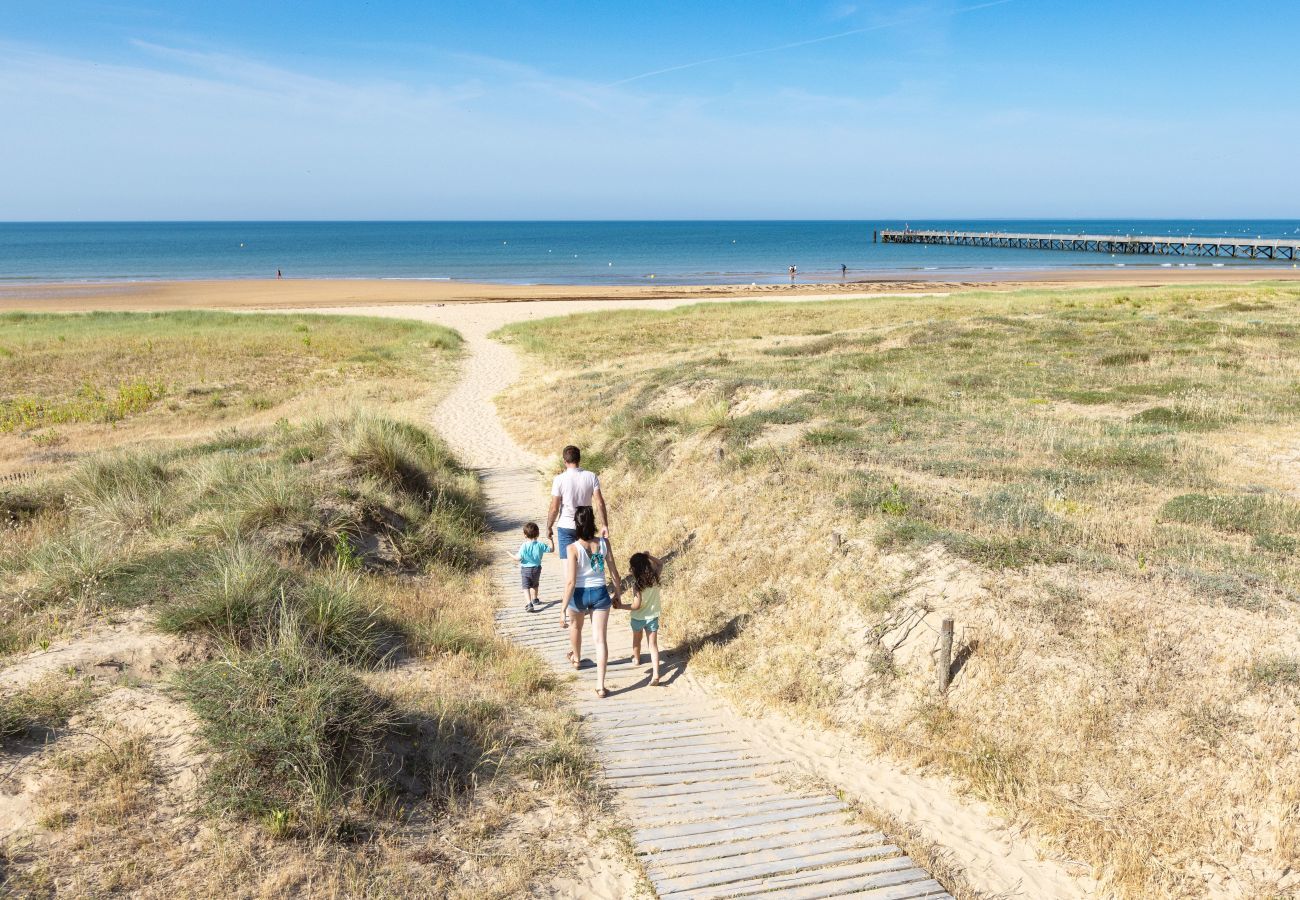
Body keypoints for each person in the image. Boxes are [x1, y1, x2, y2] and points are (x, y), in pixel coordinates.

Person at [563, 507, 622, 697]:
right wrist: (618, 593)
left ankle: (577, 658)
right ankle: (600, 686)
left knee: (576, 627)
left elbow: (571, 581)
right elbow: (613, 572)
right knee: (600, 640)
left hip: (579, 594)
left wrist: (562, 608)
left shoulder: (572, 548)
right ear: (593, 522)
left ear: (576, 525)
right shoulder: (603, 543)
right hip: (599, 593)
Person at [547, 446, 609, 627]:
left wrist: (549, 526)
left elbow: (554, 507)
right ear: (579, 459)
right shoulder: (591, 476)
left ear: (564, 461)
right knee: (593, 560)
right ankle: (595, 597)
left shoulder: (559, 479)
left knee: (569, 571)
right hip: (586, 524)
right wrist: (604, 524)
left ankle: (572, 607)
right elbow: (599, 502)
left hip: (566, 526)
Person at [627, 552, 664, 686]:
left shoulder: (637, 585)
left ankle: (636, 659)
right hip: (652, 617)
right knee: (653, 645)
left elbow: (636, 606)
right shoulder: (654, 578)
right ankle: (656, 674)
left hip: (638, 618)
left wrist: (621, 606)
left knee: (637, 640)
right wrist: (649, 556)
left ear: (635, 569)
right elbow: (660, 563)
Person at [509, 522, 553, 612]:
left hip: (526, 570)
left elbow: (518, 558)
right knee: (535, 584)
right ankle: (535, 599)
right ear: (538, 534)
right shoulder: (540, 545)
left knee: (526, 587)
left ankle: (529, 603)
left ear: (525, 535)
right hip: (537, 569)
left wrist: (510, 555)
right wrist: (551, 540)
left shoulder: (524, 546)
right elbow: (551, 549)